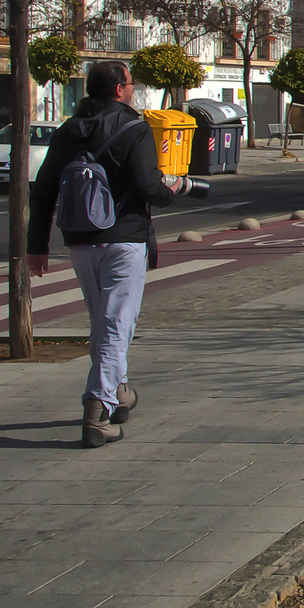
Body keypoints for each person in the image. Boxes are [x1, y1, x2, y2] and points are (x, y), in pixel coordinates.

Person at [28, 60, 195, 448]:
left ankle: (117, 392)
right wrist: (171, 191)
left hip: (80, 241)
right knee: (116, 326)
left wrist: (37, 245)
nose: (132, 89)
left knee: (104, 324)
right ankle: (96, 411)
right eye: (131, 83)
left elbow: (44, 188)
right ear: (120, 89)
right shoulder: (133, 128)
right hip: (123, 239)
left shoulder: (68, 130)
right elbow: (146, 183)